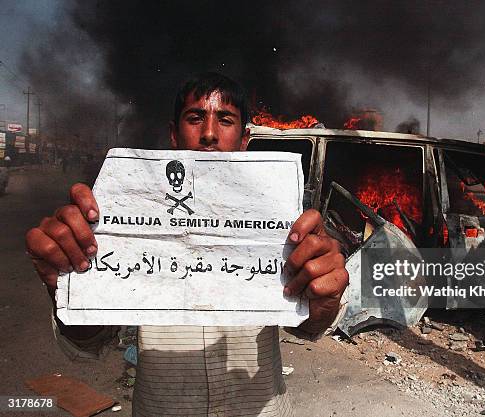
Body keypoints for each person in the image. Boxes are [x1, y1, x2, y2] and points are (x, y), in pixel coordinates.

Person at [25, 72, 349, 416]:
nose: (209, 134)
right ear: (173, 135)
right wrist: (70, 282)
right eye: (195, 118)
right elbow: (91, 339)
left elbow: (307, 326)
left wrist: (323, 299)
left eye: (225, 120)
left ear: (244, 139)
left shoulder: (281, 218)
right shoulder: (122, 211)